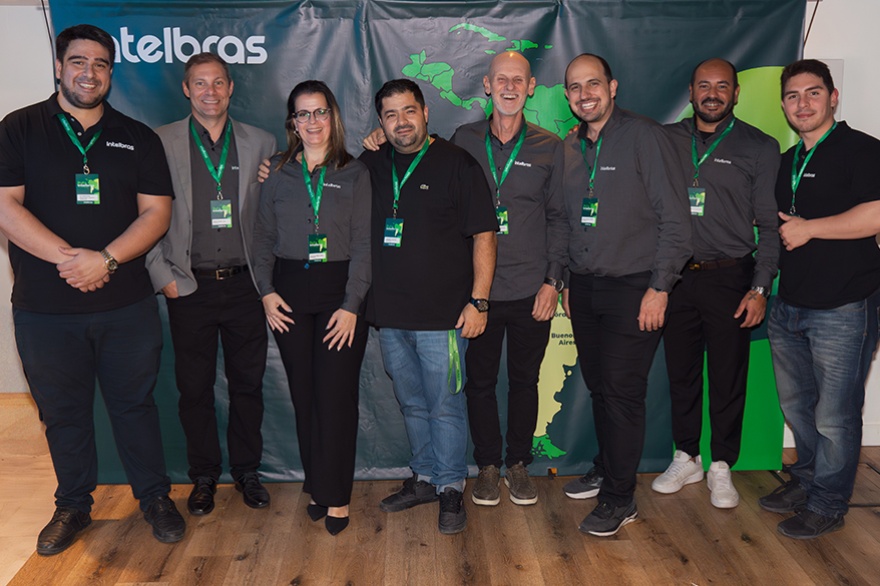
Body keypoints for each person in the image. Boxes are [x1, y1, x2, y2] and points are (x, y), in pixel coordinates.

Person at [0, 24, 184, 554]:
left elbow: (157, 213)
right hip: (44, 308)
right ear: (60, 67)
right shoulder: (19, 128)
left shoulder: (138, 136)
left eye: (100, 64)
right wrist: (72, 260)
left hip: (126, 306)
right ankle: (73, 505)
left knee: (135, 406)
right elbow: (5, 204)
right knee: (62, 412)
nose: (89, 72)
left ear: (110, 73)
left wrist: (104, 259)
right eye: (79, 62)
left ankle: (154, 498)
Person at [559, 54, 691, 536]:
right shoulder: (570, 146)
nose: (585, 94)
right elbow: (566, 220)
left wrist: (659, 288)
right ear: (567, 95)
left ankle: (620, 498)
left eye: (593, 84)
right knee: (601, 387)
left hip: (635, 287)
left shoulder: (645, 136)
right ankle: (607, 466)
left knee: (622, 393)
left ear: (612, 87)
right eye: (575, 87)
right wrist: (566, 280)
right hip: (584, 287)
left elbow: (676, 222)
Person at [359, 79, 498, 535]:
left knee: (444, 405)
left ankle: (451, 486)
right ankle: (423, 478)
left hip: (444, 318)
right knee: (412, 403)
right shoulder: (370, 164)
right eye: (390, 115)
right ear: (380, 122)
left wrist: (479, 301)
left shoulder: (458, 164)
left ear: (425, 112)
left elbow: (484, 234)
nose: (401, 122)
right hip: (390, 315)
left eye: (408, 111)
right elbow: (327, 179)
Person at [146, 53, 277, 516]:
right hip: (188, 287)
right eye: (200, 83)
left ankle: (247, 471)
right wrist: (162, 277)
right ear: (186, 89)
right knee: (194, 389)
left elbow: (273, 213)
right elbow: (141, 213)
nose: (210, 92)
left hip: (245, 287)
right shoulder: (159, 141)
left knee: (248, 386)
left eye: (218, 82)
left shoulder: (262, 143)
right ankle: (203, 476)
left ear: (231, 88)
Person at [758, 59, 880, 539]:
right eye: (792, 96)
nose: (802, 103)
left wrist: (811, 229)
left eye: (812, 93)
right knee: (798, 407)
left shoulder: (862, 150)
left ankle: (828, 503)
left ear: (833, 97)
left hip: (845, 307)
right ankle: (807, 481)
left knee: (836, 416)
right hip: (789, 305)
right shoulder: (788, 160)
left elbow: (876, 215)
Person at [652, 58, 780, 508]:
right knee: (681, 374)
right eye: (704, 86)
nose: (712, 94)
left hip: (731, 278)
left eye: (722, 86)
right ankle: (687, 456)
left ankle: (722, 464)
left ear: (736, 93)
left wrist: (760, 288)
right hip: (676, 277)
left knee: (728, 377)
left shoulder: (760, 147)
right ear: (690, 92)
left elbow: (769, 225)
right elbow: (618, 137)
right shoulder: (665, 139)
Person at [253, 80, 371, 535]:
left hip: (340, 295)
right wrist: (266, 291)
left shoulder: (355, 172)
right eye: (303, 114)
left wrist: (352, 304)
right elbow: (263, 236)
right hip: (287, 294)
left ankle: (337, 496)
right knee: (305, 396)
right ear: (293, 123)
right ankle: (319, 485)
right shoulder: (277, 172)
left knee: (335, 396)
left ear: (333, 116)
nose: (313, 121)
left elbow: (364, 244)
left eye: (320, 112)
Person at [450, 53, 566, 507]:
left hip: (530, 291)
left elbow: (559, 219)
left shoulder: (549, 147)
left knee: (525, 381)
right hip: (479, 293)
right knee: (479, 384)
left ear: (531, 86)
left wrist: (553, 281)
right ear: (487, 85)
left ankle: (517, 463)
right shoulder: (463, 140)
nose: (510, 87)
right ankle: (487, 466)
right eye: (502, 79)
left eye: (519, 79)